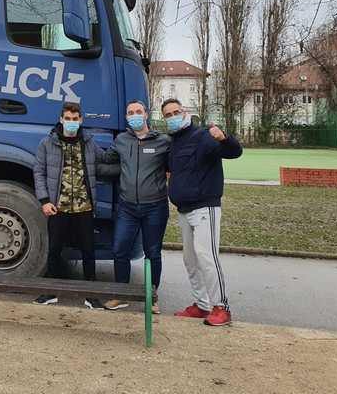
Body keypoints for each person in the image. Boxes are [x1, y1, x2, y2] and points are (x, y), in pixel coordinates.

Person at [162, 98, 243, 327]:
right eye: (168, 115)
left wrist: (225, 138)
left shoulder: (203, 136)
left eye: (176, 112)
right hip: (184, 210)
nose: (173, 117)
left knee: (206, 257)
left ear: (184, 112)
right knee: (190, 259)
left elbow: (234, 152)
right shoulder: (174, 143)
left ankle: (221, 307)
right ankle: (202, 304)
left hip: (205, 207)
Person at [99, 100, 171, 313]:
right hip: (127, 208)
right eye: (130, 113)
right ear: (126, 117)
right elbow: (106, 159)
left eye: (138, 111)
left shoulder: (163, 141)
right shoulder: (121, 140)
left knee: (153, 253)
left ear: (146, 114)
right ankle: (121, 295)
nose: (134, 115)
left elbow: (177, 163)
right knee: (119, 250)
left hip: (155, 207)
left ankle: (152, 297)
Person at [33, 101, 105, 308]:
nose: (71, 122)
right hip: (58, 207)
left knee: (88, 251)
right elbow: (38, 171)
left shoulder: (89, 142)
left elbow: (104, 160)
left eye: (75, 119)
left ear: (80, 120)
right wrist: (44, 200)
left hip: (84, 208)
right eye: (68, 118)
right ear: (61, 119)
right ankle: (51, 292)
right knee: (55, 250)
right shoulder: (47, 143)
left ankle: (91, 296)